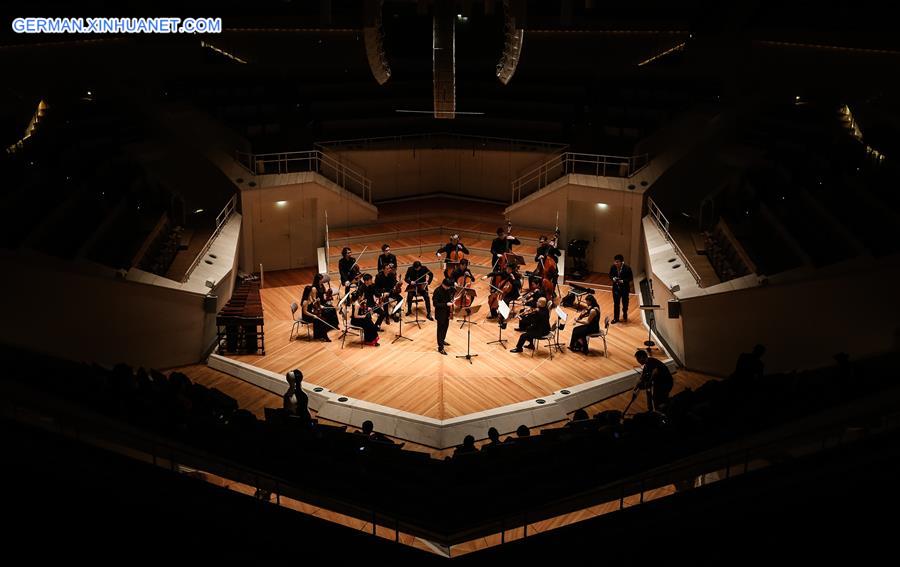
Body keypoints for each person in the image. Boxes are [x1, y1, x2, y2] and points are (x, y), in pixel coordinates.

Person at [373, 263, 402, 328]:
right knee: (386, 300)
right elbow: (376, 288)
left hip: (390, 292)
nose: (389, 269)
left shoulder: (391, 274)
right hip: (383, 293)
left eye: (389, 268)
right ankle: (387, 317)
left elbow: (394, 283)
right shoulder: (378, 276)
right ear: (383, 269)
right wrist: (383, 293)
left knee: (400, 298)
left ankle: (395, 312)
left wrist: (398, 283)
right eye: (387, 268)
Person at [432, 278, 454, 354]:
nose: (449, 288)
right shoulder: (437, 291)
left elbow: (450, 296)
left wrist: (451, 300)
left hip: (447, 312)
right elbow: (435, 304)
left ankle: (442, 340)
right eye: (447, 286)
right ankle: (440, 347)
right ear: (443, 284)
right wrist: (446, 304)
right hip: (440, 314)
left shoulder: (448, 289)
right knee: (440, 330)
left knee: (445, 327)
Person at [609, 254, 633, 323]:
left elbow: (630, 278)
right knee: (616, 304)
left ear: (622, 262)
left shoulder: (627, 268)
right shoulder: (613, 267)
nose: (615, 263)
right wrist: (613, 278)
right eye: (615, 262)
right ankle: (616, 318)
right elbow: (610, 275)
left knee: (625, 303)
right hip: (616, 288)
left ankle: (625, 313)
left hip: (624, 289)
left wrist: (622, 281)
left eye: (617, 262)